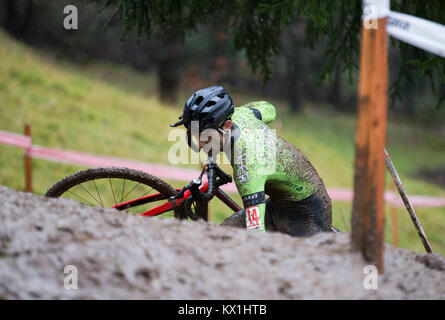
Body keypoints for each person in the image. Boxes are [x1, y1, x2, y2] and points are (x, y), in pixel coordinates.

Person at [171, 86, 333, 237]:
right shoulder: (241, 114)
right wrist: (253, 114)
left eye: (206, 136)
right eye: (195, 134)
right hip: (279, 204)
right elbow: (270, 109)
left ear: (227, 126)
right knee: (220, 238)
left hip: (307, 214)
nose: (199, 144)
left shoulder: (247, 167)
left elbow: (256, 236)